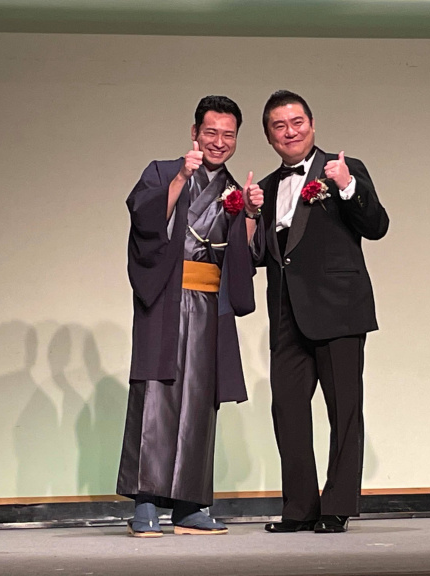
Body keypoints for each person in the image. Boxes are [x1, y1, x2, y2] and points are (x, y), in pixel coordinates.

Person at [116, 95, 264, 537]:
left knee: (200, 400)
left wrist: (250, 213)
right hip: (166, 296)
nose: (219, 142)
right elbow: (145, 222)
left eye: (228, 135)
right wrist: (182, 176)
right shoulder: (163, 171)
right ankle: (145, 503)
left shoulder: (234, 190)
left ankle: (188, 506)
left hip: (208, 304)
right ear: (195, 132)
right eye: (211, 132)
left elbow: (244, 256)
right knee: (155, 396)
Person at [248, 90, 389, 534]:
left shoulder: (344, 169)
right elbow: (259, 256)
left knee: (344, 410)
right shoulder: (267, 188)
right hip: (286, 313)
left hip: (339, 310)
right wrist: (249, 215)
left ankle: (338, 506)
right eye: (279, 126)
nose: (290, 132)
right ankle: (300, 508)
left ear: (312, 124)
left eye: (297, 122)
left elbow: (377, 226)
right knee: (287, 412)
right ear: (269, 136)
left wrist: (347, 186)